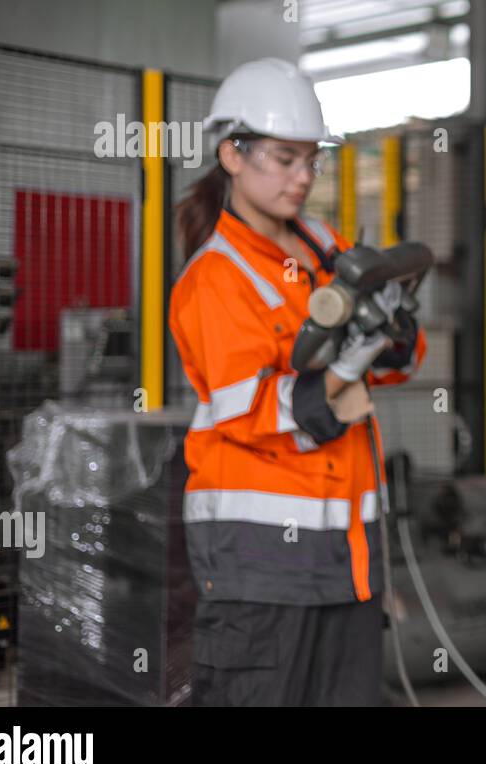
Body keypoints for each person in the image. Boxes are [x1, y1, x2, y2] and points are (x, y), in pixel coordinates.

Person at [169, 57, 425, 706]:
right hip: (261, 567)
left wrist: (389, 335)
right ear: (232, 154)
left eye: (310, 159)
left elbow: (399, 360)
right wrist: (344, 372)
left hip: (348, 561)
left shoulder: (317, 241)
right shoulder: (214, 277)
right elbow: (253, 414)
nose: (304, 177)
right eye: (284, 159)